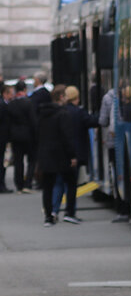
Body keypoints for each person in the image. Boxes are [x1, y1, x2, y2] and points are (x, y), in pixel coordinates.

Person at [57, 86, 98, 224]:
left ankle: (54, 211)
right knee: (72, 185)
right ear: (77, 97)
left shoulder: (62, 111)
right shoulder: (79, 112)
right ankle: (70, 211)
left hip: (62, 153)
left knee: (61, 184)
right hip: (76, 153)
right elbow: (92, 121)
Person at [36, 85, 69, 226]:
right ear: (61, 97)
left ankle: (48, 215)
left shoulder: (41, 114)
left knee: (47, 187)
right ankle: (62, 211)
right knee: (62, 183)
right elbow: (65, 135)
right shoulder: (61, 114)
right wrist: (71, 154)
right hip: (59, 153)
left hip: (44, 153)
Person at [7, 80, 37, 194]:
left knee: (18, 161)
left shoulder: (11, 104)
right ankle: (28, 183)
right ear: (25, 90)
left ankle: (19, 184)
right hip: (28, 135)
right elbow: (33, 121)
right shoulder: (29, 103)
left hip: (15, 136)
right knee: (31, 160)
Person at [0, 84, 12, 192]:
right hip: (2, 138)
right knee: (2, 162)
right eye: (10, 93)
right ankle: (1, 185)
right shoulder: (3, 105)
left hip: (3, 137)